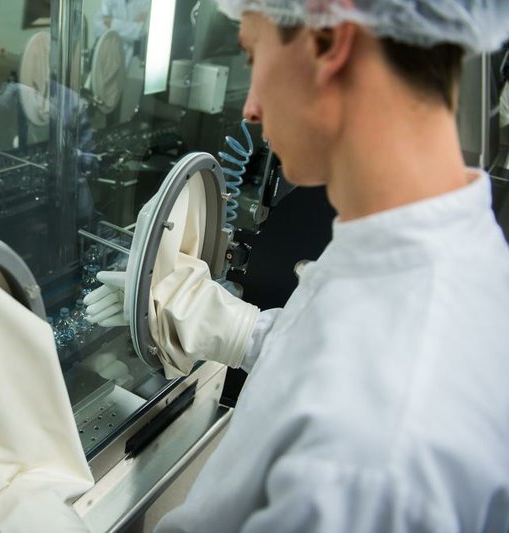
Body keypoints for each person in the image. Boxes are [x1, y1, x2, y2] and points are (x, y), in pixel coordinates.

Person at [86, 0, 509, 530]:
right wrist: (234, 326)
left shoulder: (367, 463)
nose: (250, 107)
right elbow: (338, 344)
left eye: (253, 53)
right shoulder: (430, 252)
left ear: (329, 42)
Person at [93, 0, 151, 67]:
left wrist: (113, 23)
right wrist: (131, 28)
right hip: (106, 57)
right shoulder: (107, 1)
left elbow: (141, 32)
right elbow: (98, 28)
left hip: (129, 60)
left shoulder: (146, 2)